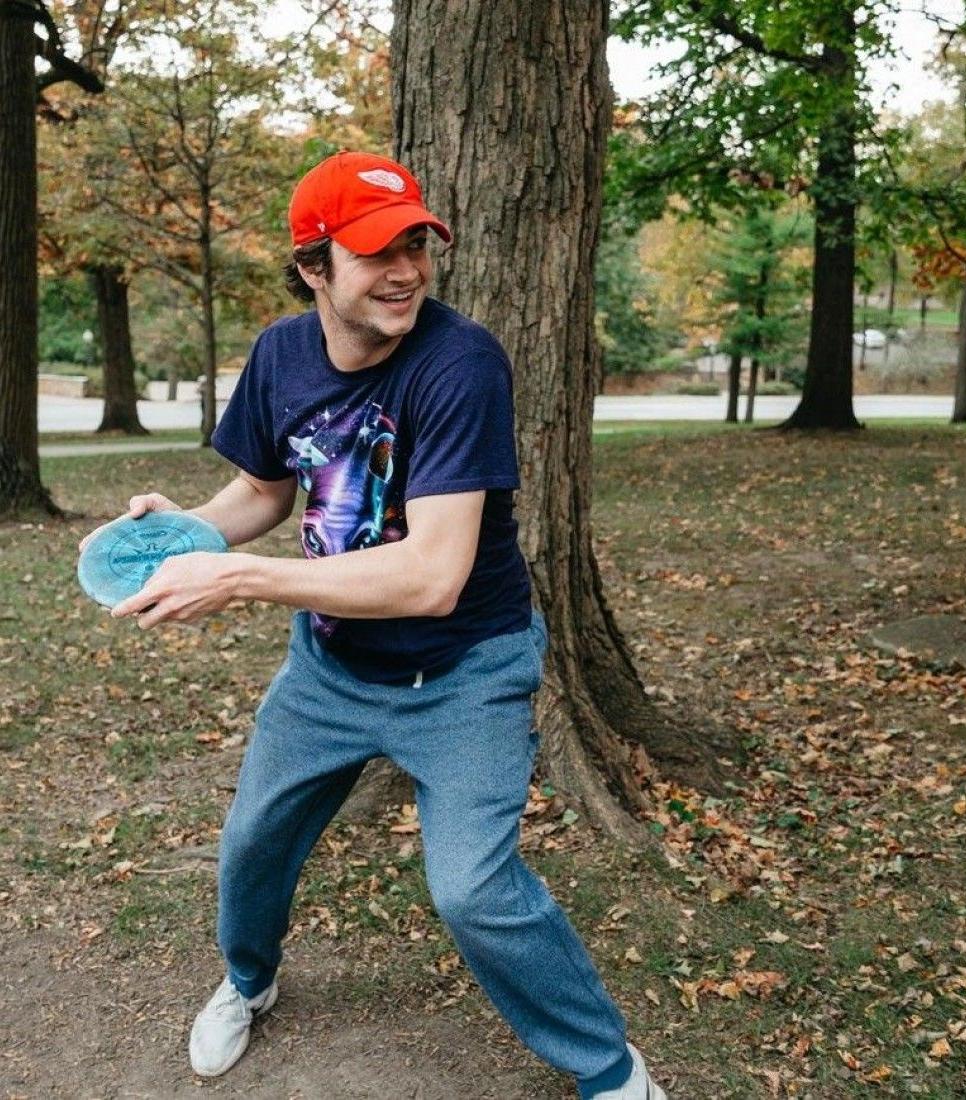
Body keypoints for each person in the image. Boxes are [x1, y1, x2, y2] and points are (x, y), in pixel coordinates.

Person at [85, 152, 667, 1100]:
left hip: (464, 670)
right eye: (374, 252)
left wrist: (238, 579)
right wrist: (187, 534)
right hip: (330, 669)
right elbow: (265, 489)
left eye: (415, 245)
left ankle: (609, 1070)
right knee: (253, 843)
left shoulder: (459, 362)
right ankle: (248, 984)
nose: (404, 270)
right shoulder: (280, 355)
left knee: (475, 891)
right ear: (314, 267)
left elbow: (434, 575)